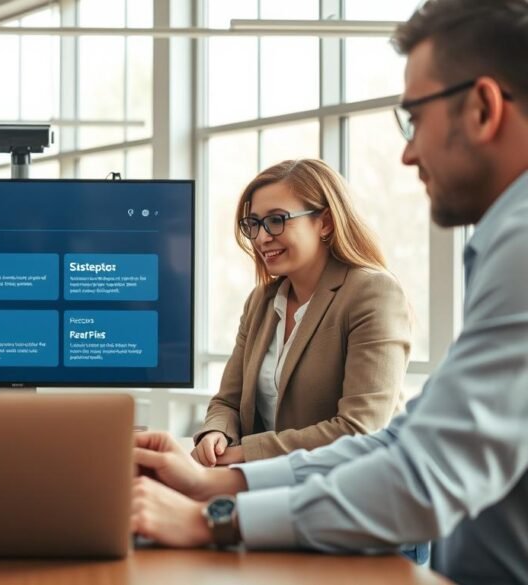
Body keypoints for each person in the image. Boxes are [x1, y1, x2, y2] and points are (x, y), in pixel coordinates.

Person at [130, 1, 528, 582]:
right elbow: (401, 441)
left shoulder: (502, 250)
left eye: (414, 117)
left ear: (485, 107)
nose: (408, 151)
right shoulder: (265, 300)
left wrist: (218, 515)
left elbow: (417, 468)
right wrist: (219, 478)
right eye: (253, 224)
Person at [192, 159, 411, 466]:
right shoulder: (261, 302)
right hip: (264, 485)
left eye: (277, 220)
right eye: (253, 223)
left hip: (349, 490)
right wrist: (217, 434)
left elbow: (360, 430)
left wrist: (244, 454)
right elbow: (227, 400)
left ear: (325, 222)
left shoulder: (372, 293)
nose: (261, 237)